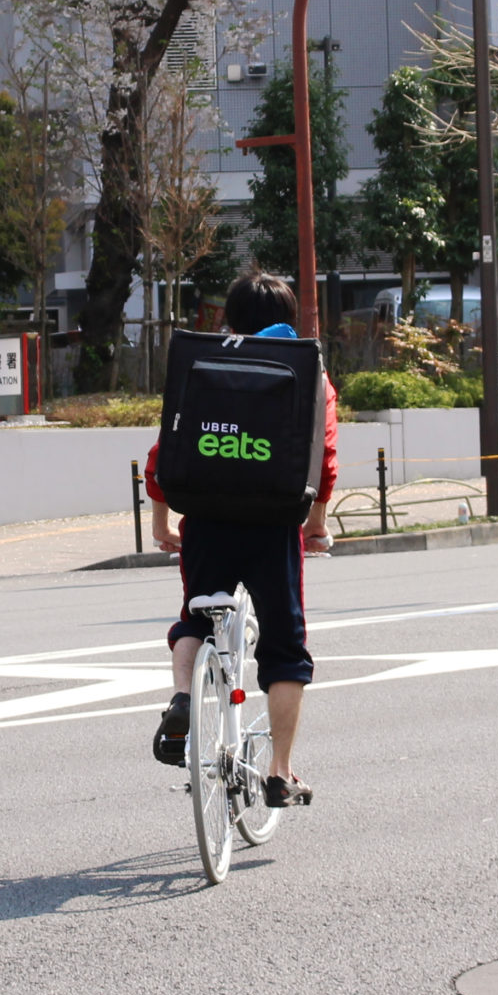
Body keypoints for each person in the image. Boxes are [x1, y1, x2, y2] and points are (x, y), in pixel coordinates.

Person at [146, 268, 338, 807]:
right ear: (288, 317)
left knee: (195, 617)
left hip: (206, 518)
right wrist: (316, 524)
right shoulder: (309, 370)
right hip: (274, 525)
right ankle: (280, 771)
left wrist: (161, 524)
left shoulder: (202, 361)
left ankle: (183, 698)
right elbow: (323, 460)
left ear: (229, 318)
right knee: (284, 648)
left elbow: (164, 453)